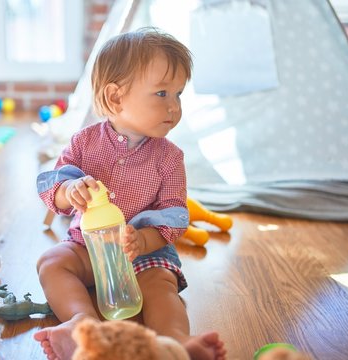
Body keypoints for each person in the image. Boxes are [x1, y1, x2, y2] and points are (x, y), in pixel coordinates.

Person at [34, 27, 226, 360]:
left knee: (160, 287)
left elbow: (175, 215)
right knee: (51, 262)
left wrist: (144, 241)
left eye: (179, 94)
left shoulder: (169, 157)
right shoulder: (84, 143)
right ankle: (83, 326)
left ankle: (177, 341)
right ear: (115, 97)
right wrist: (69, 191)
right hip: (89, 247)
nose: (174, 107)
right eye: (162, 94)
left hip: (144, 255)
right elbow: (53, 183)